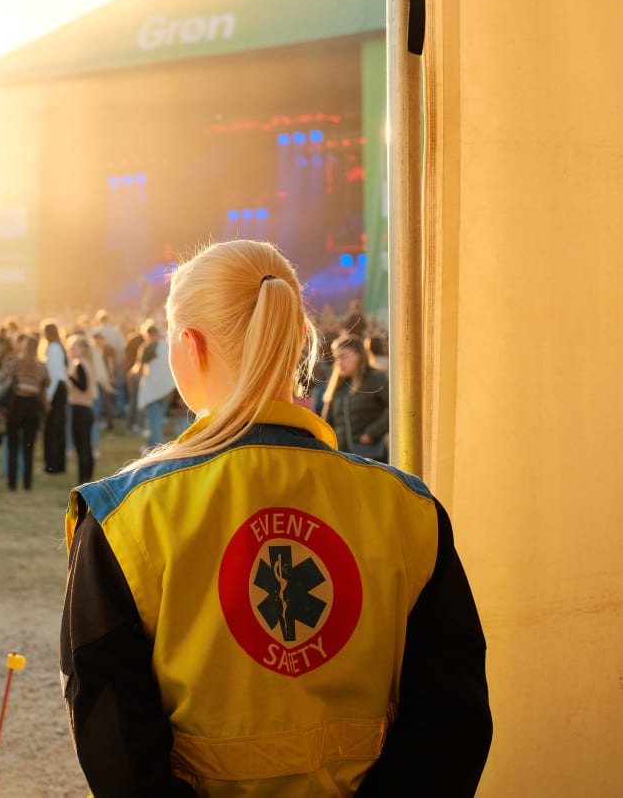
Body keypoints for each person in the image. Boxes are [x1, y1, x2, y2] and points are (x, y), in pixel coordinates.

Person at [60, 240, 492, 797]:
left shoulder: (124, 517)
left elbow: (112, 732)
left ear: (187, 347)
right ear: (295, 342)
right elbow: (452, 718)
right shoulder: (408, 509)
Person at [322, 334, 390, 462]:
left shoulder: (376, 378)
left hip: (371, 458)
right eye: (336, 358)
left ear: (359, 355)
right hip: (341, 457)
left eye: (343, 357)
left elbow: (393, 409)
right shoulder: (338, 385)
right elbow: (327, 421)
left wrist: (371, 434)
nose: (339, 363)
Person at [0, 334, 49, 491]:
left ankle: (12, 483)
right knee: (29, 446)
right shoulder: (41, 367)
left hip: (16, 405)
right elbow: (45, 383)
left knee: (13, 445)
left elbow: (3, 379)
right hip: (32, 406)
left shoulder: (14, 363)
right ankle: (27, 483)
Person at [136, 322, 176, 451]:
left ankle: (159, 448)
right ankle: (150, 445)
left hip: (153, 388)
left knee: (154, 421)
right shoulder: (167, 346)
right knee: (157, 419)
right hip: (167, 388)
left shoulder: (148, 348)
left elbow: (140, 368)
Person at [66, 335, 96, 485]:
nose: (71, 350)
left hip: (80, 408)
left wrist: (70, 377)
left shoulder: (80, 365)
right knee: (86, 446)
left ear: (82, 349)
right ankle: (87, 477)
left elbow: (82, 386)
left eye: (74, 347)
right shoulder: (87, 363)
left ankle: (82, 479)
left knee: (81, 447)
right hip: (87, 408)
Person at [42, 322, 69, 475]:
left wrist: (48, 396)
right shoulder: (59, 347)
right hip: (61, 388)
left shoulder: (52, 348)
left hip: (56, 389)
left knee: (52, 429)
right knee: (59, 429)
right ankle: (59, 464)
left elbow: (53, 374)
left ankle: (52, 465)